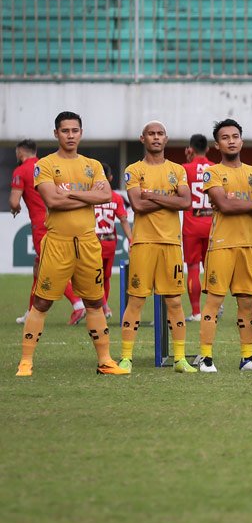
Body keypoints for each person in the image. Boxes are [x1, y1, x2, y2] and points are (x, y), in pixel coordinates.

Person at [15, 112, 128, 376]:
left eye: (75, 130)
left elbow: (105, 195)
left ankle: (105, 362)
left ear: (81, 132)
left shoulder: (92, 164)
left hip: (89, 242)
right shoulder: (44, 164)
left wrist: (71, 193)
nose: (70, 135)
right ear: (56, 133)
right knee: (42, 302)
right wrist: (88, 196)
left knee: (94, 302)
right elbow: (52, 202)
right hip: (57, 242)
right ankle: (26, 361)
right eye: (65, 131)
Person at [118, 121, 196, 373]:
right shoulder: (133, 169)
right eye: (151, 134)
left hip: (171, 243)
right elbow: (137, 206)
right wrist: (168, 200)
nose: (155, 137)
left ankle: (180, 359)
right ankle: (126, 358)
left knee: (174, 302)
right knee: (136, 301)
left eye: (160, 133)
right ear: (143, 138)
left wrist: (151, 195)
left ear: (166, 138)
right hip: (143, 243)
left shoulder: (177, 170)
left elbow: (185, 201)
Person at [195, 119, 252, 372]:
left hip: (249, 245)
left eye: (235, 136)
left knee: (247, 303)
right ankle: (205, 357)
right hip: (222, 245)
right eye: (225, 137)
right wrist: (249, 204)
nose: (231, 140)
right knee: (214, 302)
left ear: (242, 140)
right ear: (217, 144)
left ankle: (247, 358)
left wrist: (233, 202)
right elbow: (226, 206)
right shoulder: (213, 172)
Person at [10, 139, 86, 325]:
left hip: (41, 225)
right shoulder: (47, 165)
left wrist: (15, 207)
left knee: (50, 269)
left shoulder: (20, 170)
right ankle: (30, 312)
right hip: (58, 220)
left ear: (20, 153)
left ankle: (78, 305)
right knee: (39, 269)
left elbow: (14, 201)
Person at [182, 134, 215, 321]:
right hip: (212, 225)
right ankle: (213, 308)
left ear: (190, 149)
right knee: (212, 268)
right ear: (208, 149)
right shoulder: (216, 168)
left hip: (192, 226)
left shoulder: (184, 169)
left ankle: (196, 312)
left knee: (193, 268)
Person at [93, 162, 132, 318]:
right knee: (106, 277)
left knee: (93, 277)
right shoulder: (115, 197)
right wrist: (130, 239)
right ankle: (104, 308)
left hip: (93, 242)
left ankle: (104, 307)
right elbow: (123, 219)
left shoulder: (89, 194)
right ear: (110, 177)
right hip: (109, 241)